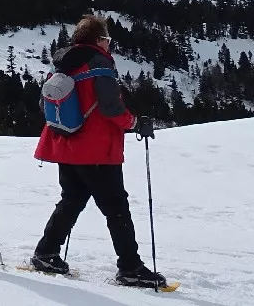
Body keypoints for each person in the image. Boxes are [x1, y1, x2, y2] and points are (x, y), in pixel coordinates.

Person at [29, 14, 167, 288]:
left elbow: (44, 105)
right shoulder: (100, 64)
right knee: (116, 207)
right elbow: (111, 108)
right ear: (99, 40)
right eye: (107, 39)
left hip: (66, 145)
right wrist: (135, 123)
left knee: (71, 200)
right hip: (96, 150)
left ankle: (46, 253)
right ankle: (130, 267)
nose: (109, 44)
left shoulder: (63, 64)